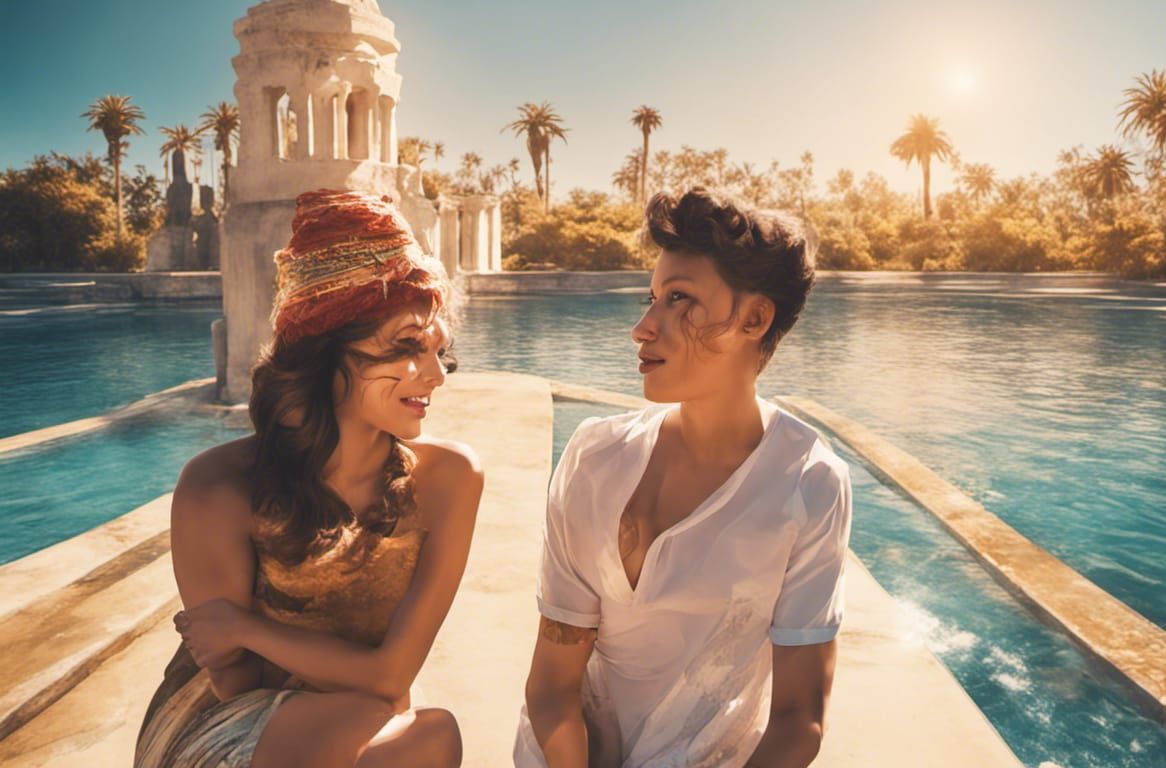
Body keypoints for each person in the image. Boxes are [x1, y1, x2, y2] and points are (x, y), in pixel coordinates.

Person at [135, 189, 483, 768]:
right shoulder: (219, 486)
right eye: (407, 349)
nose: (436, 376)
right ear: (325, 353)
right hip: (223, 725)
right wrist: (250, 647)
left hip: (368, 714)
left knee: (426, 736)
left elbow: (394, 672)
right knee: (420, 740)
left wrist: (246, 627)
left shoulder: (451, 478)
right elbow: (235, 681)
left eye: (440, 352)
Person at [515, 187, 853, 767]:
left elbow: (801, 720)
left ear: (754, 317)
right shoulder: (594, 458)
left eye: (679, 300)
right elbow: (551, 689)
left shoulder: (807, 484)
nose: (644, 327)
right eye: (652, 298)